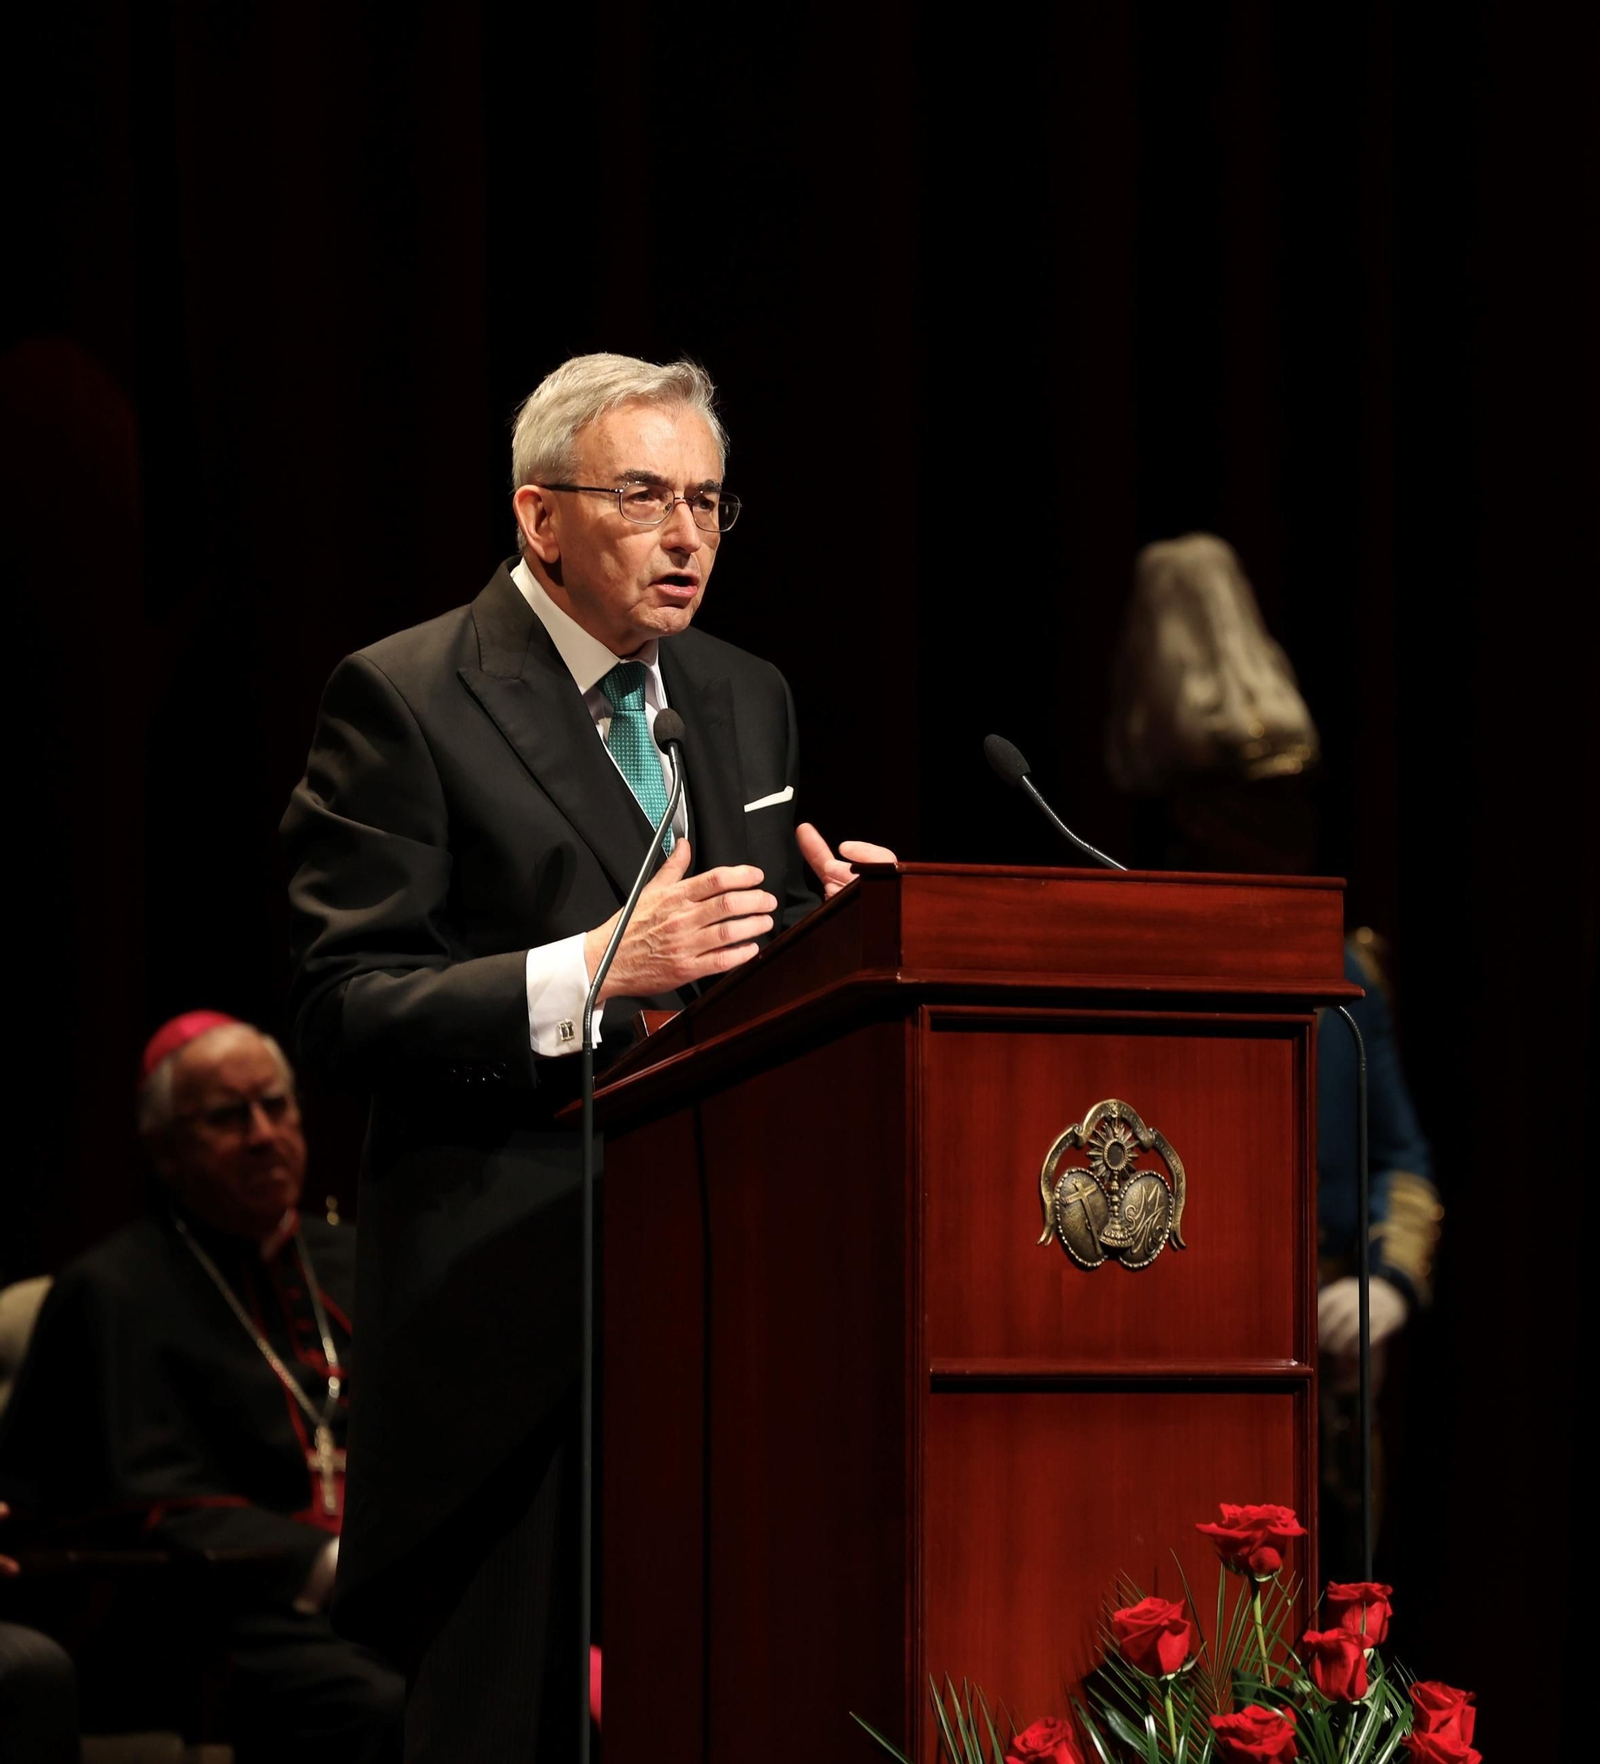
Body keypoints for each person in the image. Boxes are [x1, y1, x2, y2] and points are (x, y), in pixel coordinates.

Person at [280, 353, 892, 1760]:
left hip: (725, 1291)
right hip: (514, 1310)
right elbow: (342, 1002)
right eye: (643, 498)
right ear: (539, 516)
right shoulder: (406, 696)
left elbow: (741, 943)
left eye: (709, 504)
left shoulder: (742, 693)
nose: (687, 538)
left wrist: (846, 941)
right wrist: (591, 975)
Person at [1104, 533, 1442, 1571]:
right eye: (1259, 804)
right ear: (1197, 814)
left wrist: (1386, 1287)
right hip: (1173, 1349)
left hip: (1328, 1355)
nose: (1288, 828)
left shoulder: (1345, 971)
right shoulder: (1117, 965)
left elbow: (1403, 1162)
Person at [0, 1012, 403, 1762]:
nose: (261, 1134)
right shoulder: (111, 1292)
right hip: (214, 1614)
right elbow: (132, 1497)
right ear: (166, 1150)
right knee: (385, 1704)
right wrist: (320, 1564)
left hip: (383, 1588)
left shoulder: (357, 1260)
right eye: (227, 1117)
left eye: (275, 1105)